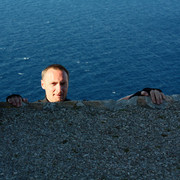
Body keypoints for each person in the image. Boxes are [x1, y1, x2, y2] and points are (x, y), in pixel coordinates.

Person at [6, 64, 165, 107]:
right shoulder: (31, 108)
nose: (59, 90)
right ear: (42, 84)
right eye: (53, 84)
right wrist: (14, 101)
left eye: (63, 84)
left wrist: (145, 92)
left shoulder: (80, 107)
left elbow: (115, 105)